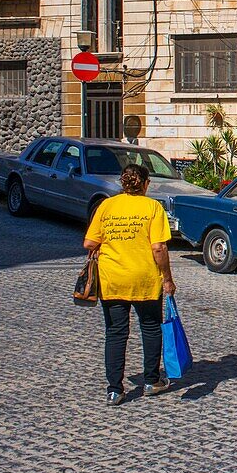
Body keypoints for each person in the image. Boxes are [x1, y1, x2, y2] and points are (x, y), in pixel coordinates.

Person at [83, 163, 177, 406]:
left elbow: (89, 243)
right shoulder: (152, 207)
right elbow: (159, 247)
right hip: (144, 279)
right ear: (145, 184)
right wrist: (167, 278)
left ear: (122, 184)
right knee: (150, 328)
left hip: (112, 279)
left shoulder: (107, 205)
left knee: (115, 333)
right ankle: (151, 380)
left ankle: (115, 390)